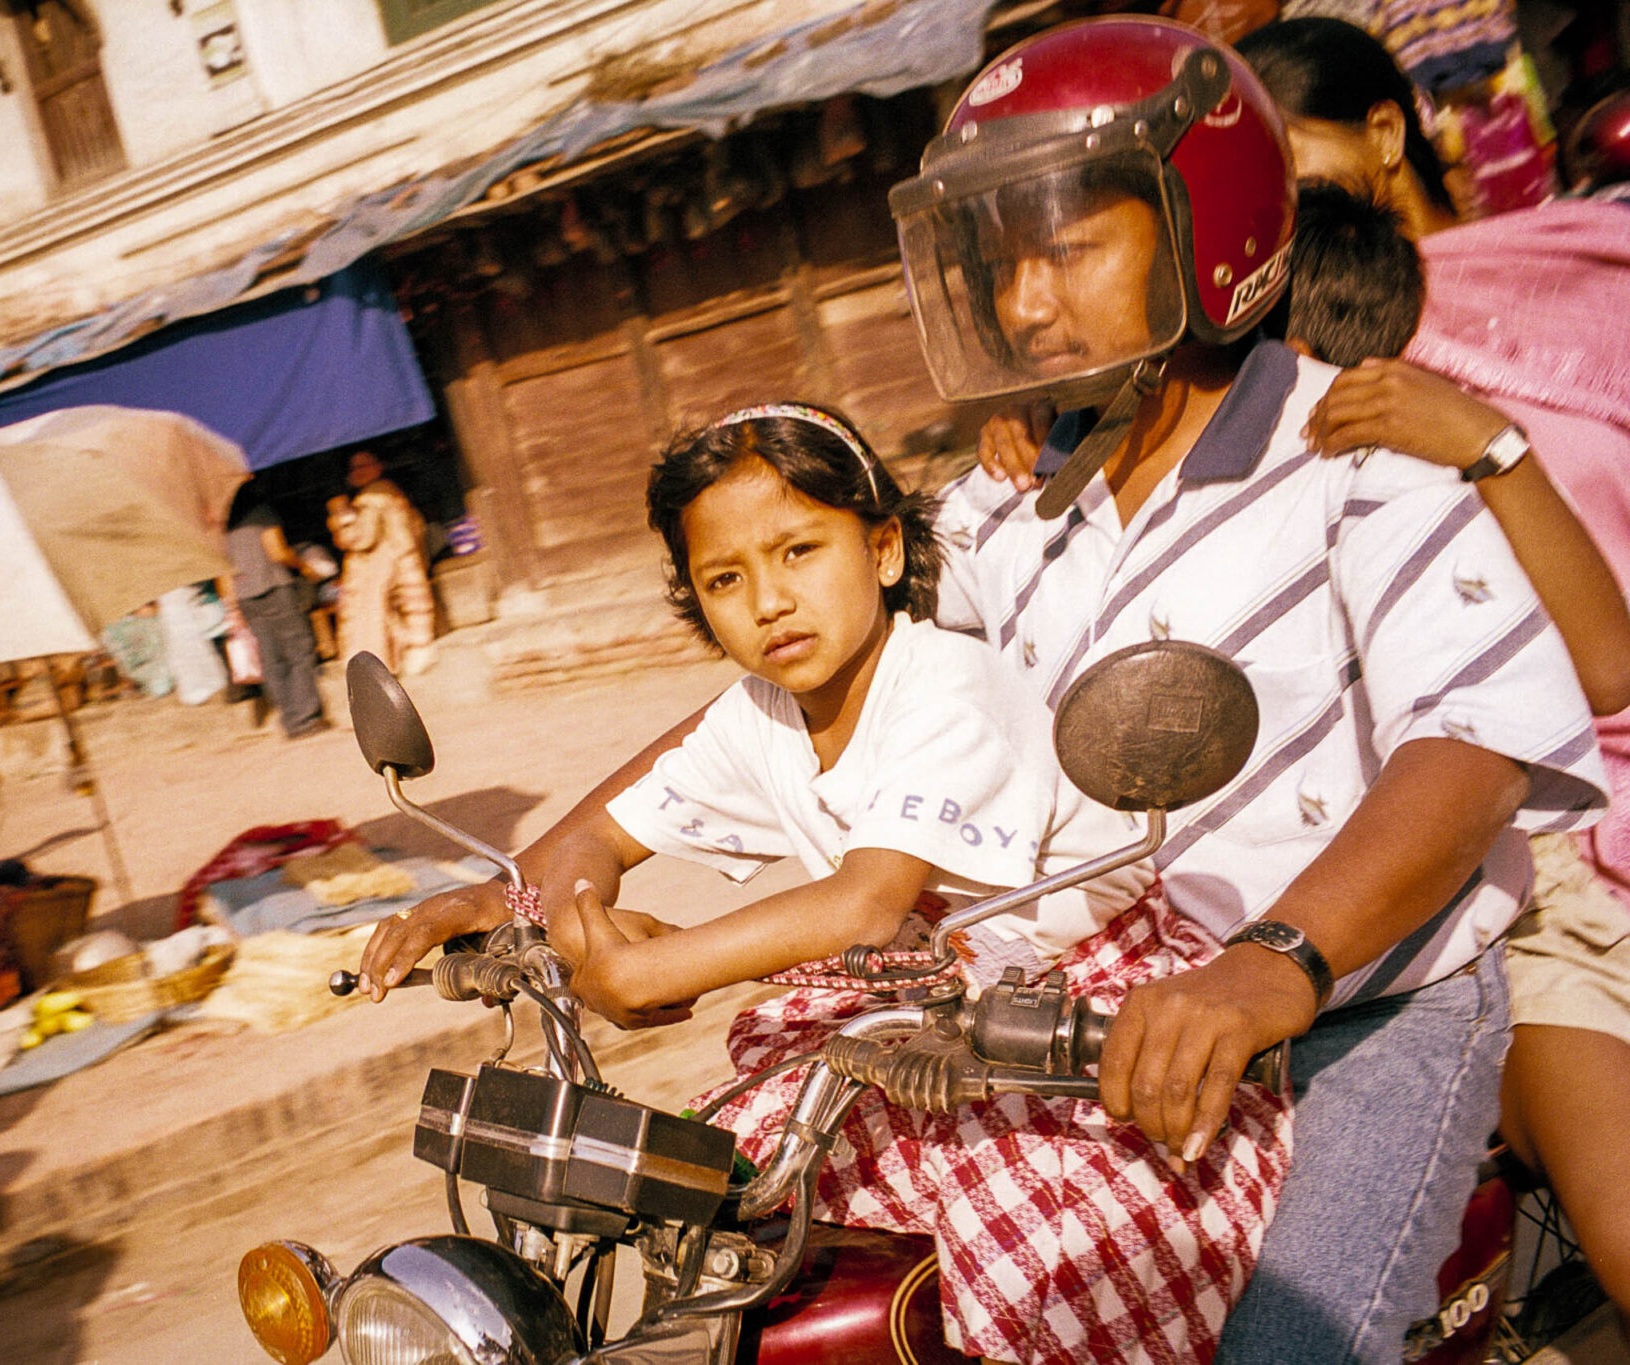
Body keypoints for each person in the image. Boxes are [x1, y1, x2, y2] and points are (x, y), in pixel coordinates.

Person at [365, 18, 1609, 1364]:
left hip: (1367, 1011)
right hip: (1083, 1017)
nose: (1022, 301)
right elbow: (805, 686)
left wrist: (1277, 966)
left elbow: (1470, 749)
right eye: (1001, 255)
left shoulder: (1356, 454)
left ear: (1211, 224)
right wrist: (531, 889)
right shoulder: (1012, 508)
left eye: (1066, 247)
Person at [510, 400, 1291, 1361]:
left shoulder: (943, 683)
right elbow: (594, 837)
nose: (768, 600)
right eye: (726, 577)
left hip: (1075, 1021)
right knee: (721, 1203)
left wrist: (661, 965)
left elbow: (865, 900)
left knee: (1034, 1275)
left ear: (883, 551)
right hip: (915, 1021)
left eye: (799, 551)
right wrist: (587, 926)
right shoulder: (759, 713)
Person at [1236, 16, 1630, 1336]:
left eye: (1292, 172)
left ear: (1388, 135)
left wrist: (1489, 442)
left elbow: (1604, 658)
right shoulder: (1289, 374)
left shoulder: (1548, 277)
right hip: (1531, 854)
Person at [222, 484, 327, 739]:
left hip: (246, 597)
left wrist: (232, 604)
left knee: (271, 658)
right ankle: (307, 719)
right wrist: (304, 567)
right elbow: (278, 551)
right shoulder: (261, 512)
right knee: (298, 652)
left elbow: (222, 571)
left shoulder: (221, 524)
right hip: (275, 588)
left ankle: (290, 720)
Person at [330, 451, 436, 676]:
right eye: (354, 468)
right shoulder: (390, 492)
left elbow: (363, 538)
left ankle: (380, 666)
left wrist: (339, 520)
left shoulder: (372, 498)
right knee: (405, 611)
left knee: (372, 617)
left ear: (378, 466)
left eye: (364, 466)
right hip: (402, 557)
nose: (358, 472)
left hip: (383, 564)